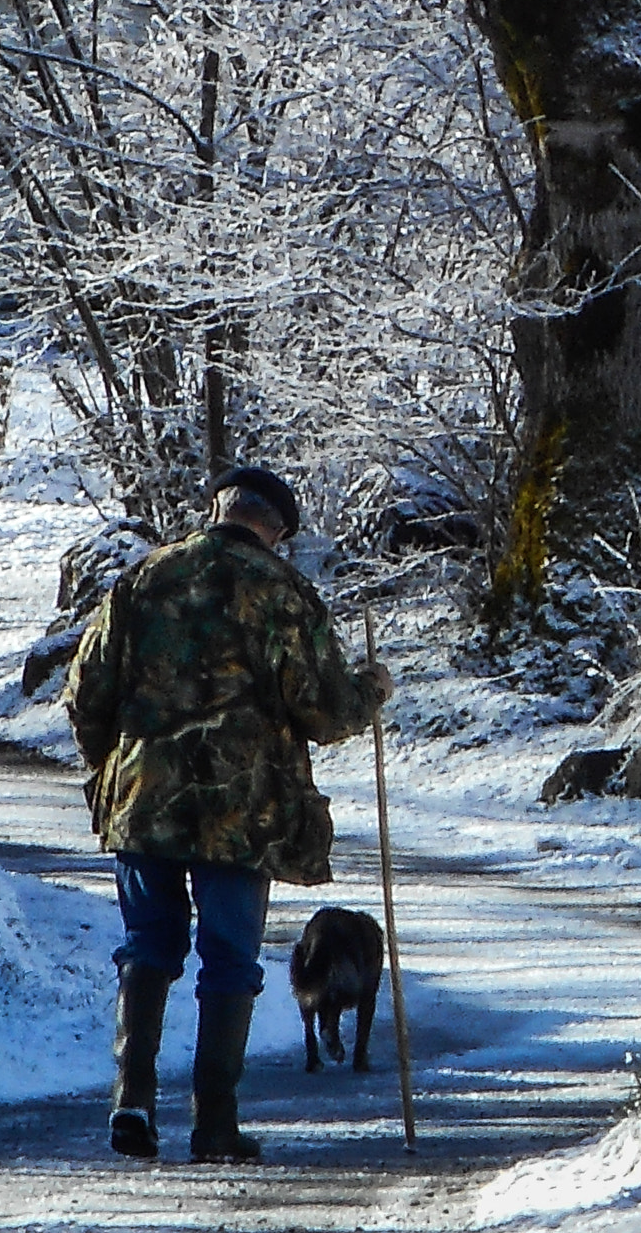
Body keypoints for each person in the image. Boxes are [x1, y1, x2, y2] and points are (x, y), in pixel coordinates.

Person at [64, 463, 394, 1164]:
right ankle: (215, 1123)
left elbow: (85, 690)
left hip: (144, 799)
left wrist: (112, 772)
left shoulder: (144, 579)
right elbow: (326, 708)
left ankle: (133, 1096)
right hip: (240, 812)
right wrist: (369, 689)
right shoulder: (282, 594)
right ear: (276, 531)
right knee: (229, 961)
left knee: (148, 947)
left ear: (216, 510)